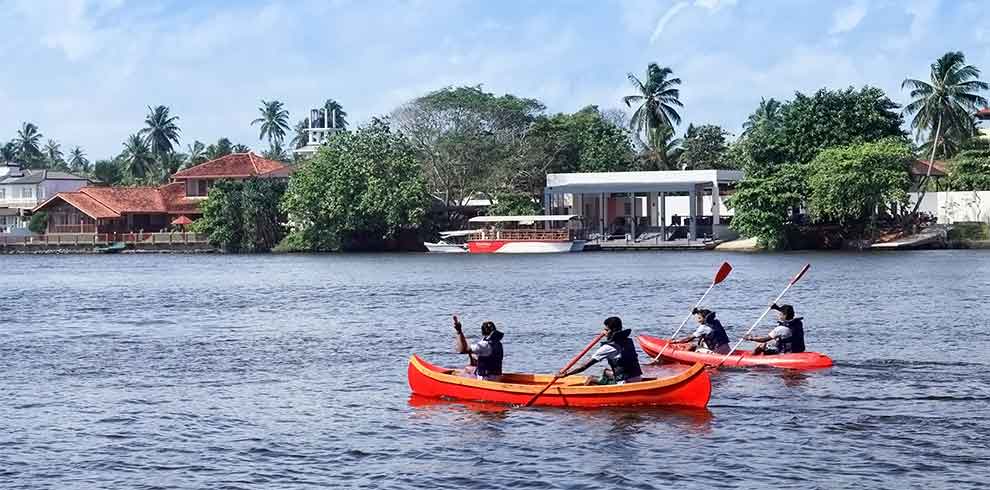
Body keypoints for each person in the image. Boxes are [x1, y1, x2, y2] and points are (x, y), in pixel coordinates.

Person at [558, 316, 643, 384]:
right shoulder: (628, 341)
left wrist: (566, 374)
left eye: (606, 330)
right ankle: (604, 380)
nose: (604, 332)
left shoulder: (608, 347)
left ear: (612, 331)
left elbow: (584, 366)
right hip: (637, 377)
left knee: (591, 378)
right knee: (606, 372)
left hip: (625, 382)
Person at [453, 315, 503, 380]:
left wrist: (459, 331)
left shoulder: (484, 345)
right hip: (497, 376)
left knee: (460, 374)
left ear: (482, 332)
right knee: (469, 369)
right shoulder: (498, 343)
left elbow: (463, 350)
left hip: (486, 379)